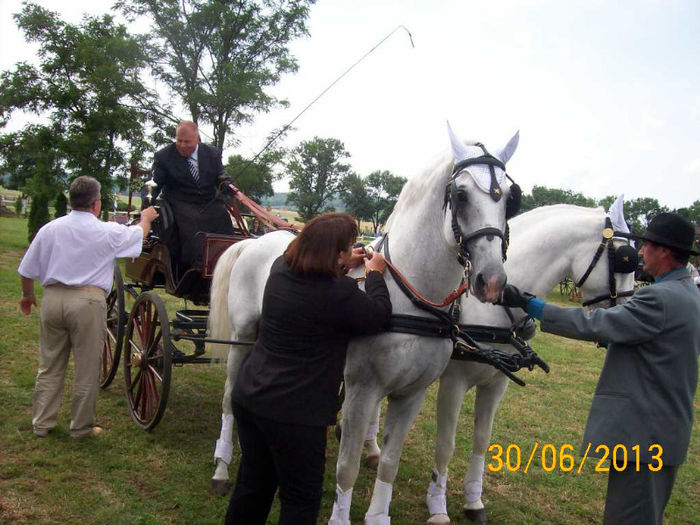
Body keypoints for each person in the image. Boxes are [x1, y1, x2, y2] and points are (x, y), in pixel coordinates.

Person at [500, 212, 700, 525]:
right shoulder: (688, 294)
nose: (641, 252)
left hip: (644, 440)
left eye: (647, 245)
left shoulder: (659, 298)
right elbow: (653, 343)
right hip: (660, 433)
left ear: (665, 251)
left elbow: (596, 322)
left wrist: (532, 305)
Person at [225, 212, 392, 525]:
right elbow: (378, 315)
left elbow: (317, 282)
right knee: (301, 499)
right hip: (296, 415)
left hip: (250, 397)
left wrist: (342, 264)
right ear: (337, 253)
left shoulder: (280, 269)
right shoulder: (339, 295)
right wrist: (375, 274)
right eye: (347, 248)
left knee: (253, 486)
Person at [18, 176, 158, 438]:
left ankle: (42, 424)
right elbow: (138, 235)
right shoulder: (106, 231)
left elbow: (26, 270)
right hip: (87, 302)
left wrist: (27, 296)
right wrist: (147, 218)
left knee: (49, 365)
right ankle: (81, 427)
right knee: (86, 367)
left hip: (52, 298)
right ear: (97, 203)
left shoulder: (50, 229)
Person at [151, 120, 234, 269]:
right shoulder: (163, 156)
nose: (182, 145)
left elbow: (221, 175)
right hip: (179, 202)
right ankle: (196, 265)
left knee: (223, 216)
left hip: (208, 203)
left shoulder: (213, 154)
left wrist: (230, 187)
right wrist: (147, 204)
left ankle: (226, 262)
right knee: (192, 222)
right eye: (179, 140)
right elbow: (155, 183)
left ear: (198, 139)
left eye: (187, 141)